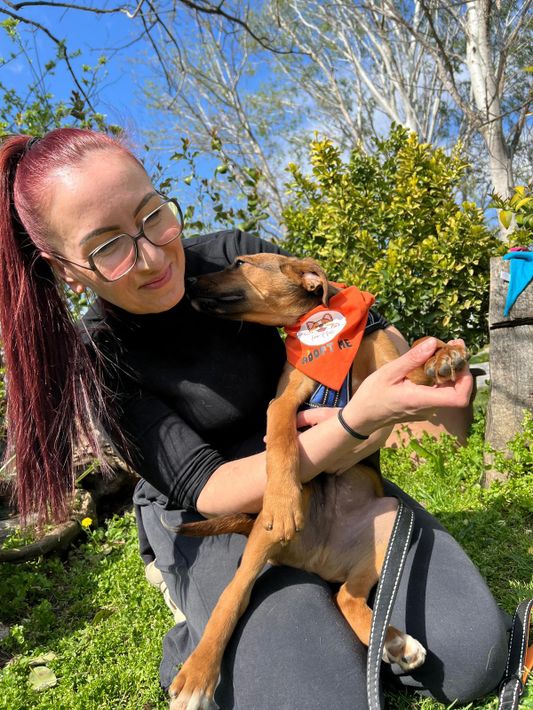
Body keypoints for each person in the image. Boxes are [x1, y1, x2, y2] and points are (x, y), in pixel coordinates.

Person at [0, 128, 509, 709]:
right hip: (218, 504)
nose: (152, 256)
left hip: (332, 475)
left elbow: (357, 329)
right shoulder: (101, 354)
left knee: (473, 655)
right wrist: (352, 426)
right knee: (320, 699)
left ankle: (334, 603)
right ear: (66, 269)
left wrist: (417, 375)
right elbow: (211, 487)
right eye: (108, 247)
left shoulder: (236, 257)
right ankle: (190, 601)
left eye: (153, 215)